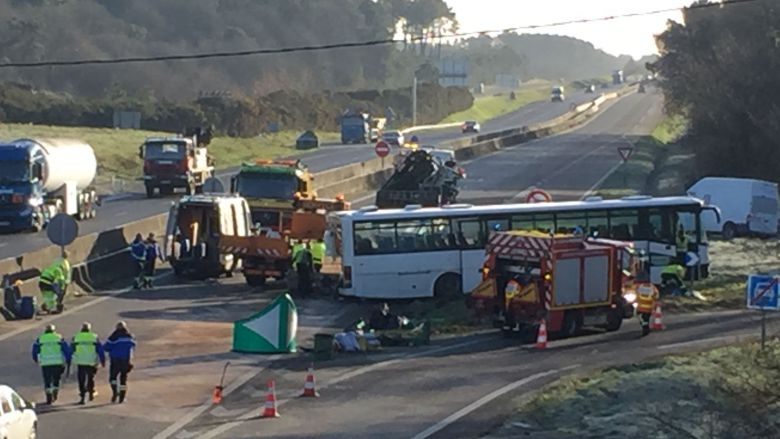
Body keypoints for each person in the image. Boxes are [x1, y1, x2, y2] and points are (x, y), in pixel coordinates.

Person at [31, 324, 71, 404]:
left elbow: (35, 351)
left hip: (45, 363)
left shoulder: (40, 339)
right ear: (54, 330)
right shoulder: (59, 338)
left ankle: (48, 397)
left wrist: (36, 359)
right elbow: (66, 350)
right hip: (57, 362)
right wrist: (68, 360)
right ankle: (55, 393)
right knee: (56, 379)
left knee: (47, 380)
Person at [71, 322, 105, 405]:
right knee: (91, 377)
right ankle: (91, 393)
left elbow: (71, 349)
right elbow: (100, 350)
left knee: (81, 379)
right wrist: (102, 360)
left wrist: (69, 359)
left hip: (80, 361)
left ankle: (83, 395)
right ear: (89, 329)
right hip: (91, 360)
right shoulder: (94, 337)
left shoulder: (76, 337)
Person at [104, 321, 136, 404]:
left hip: (115, 360)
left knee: (113, 378)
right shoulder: (129, 336)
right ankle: (122, 397)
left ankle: (115, 392)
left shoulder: (113, 337)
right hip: (125, 360)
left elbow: (106, 347)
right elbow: (133, 345)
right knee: (123, 380)